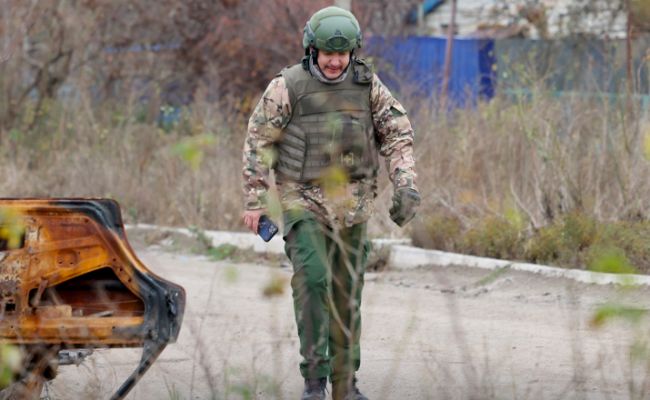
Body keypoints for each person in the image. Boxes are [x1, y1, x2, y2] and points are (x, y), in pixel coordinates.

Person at [242, 6, 420, 400]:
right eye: (328, 53)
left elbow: (396, 133)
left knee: (347, 291)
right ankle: (313, 379)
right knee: (313, 279)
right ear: (312, 50)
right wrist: (254, 199)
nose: (336, 61)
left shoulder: (367, 84)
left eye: (343, 54)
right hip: (300, 199)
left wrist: (405, 184)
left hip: (352, 205)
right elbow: (259, 141)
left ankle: (344, 382)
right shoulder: (287, 85)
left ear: (353, 51)